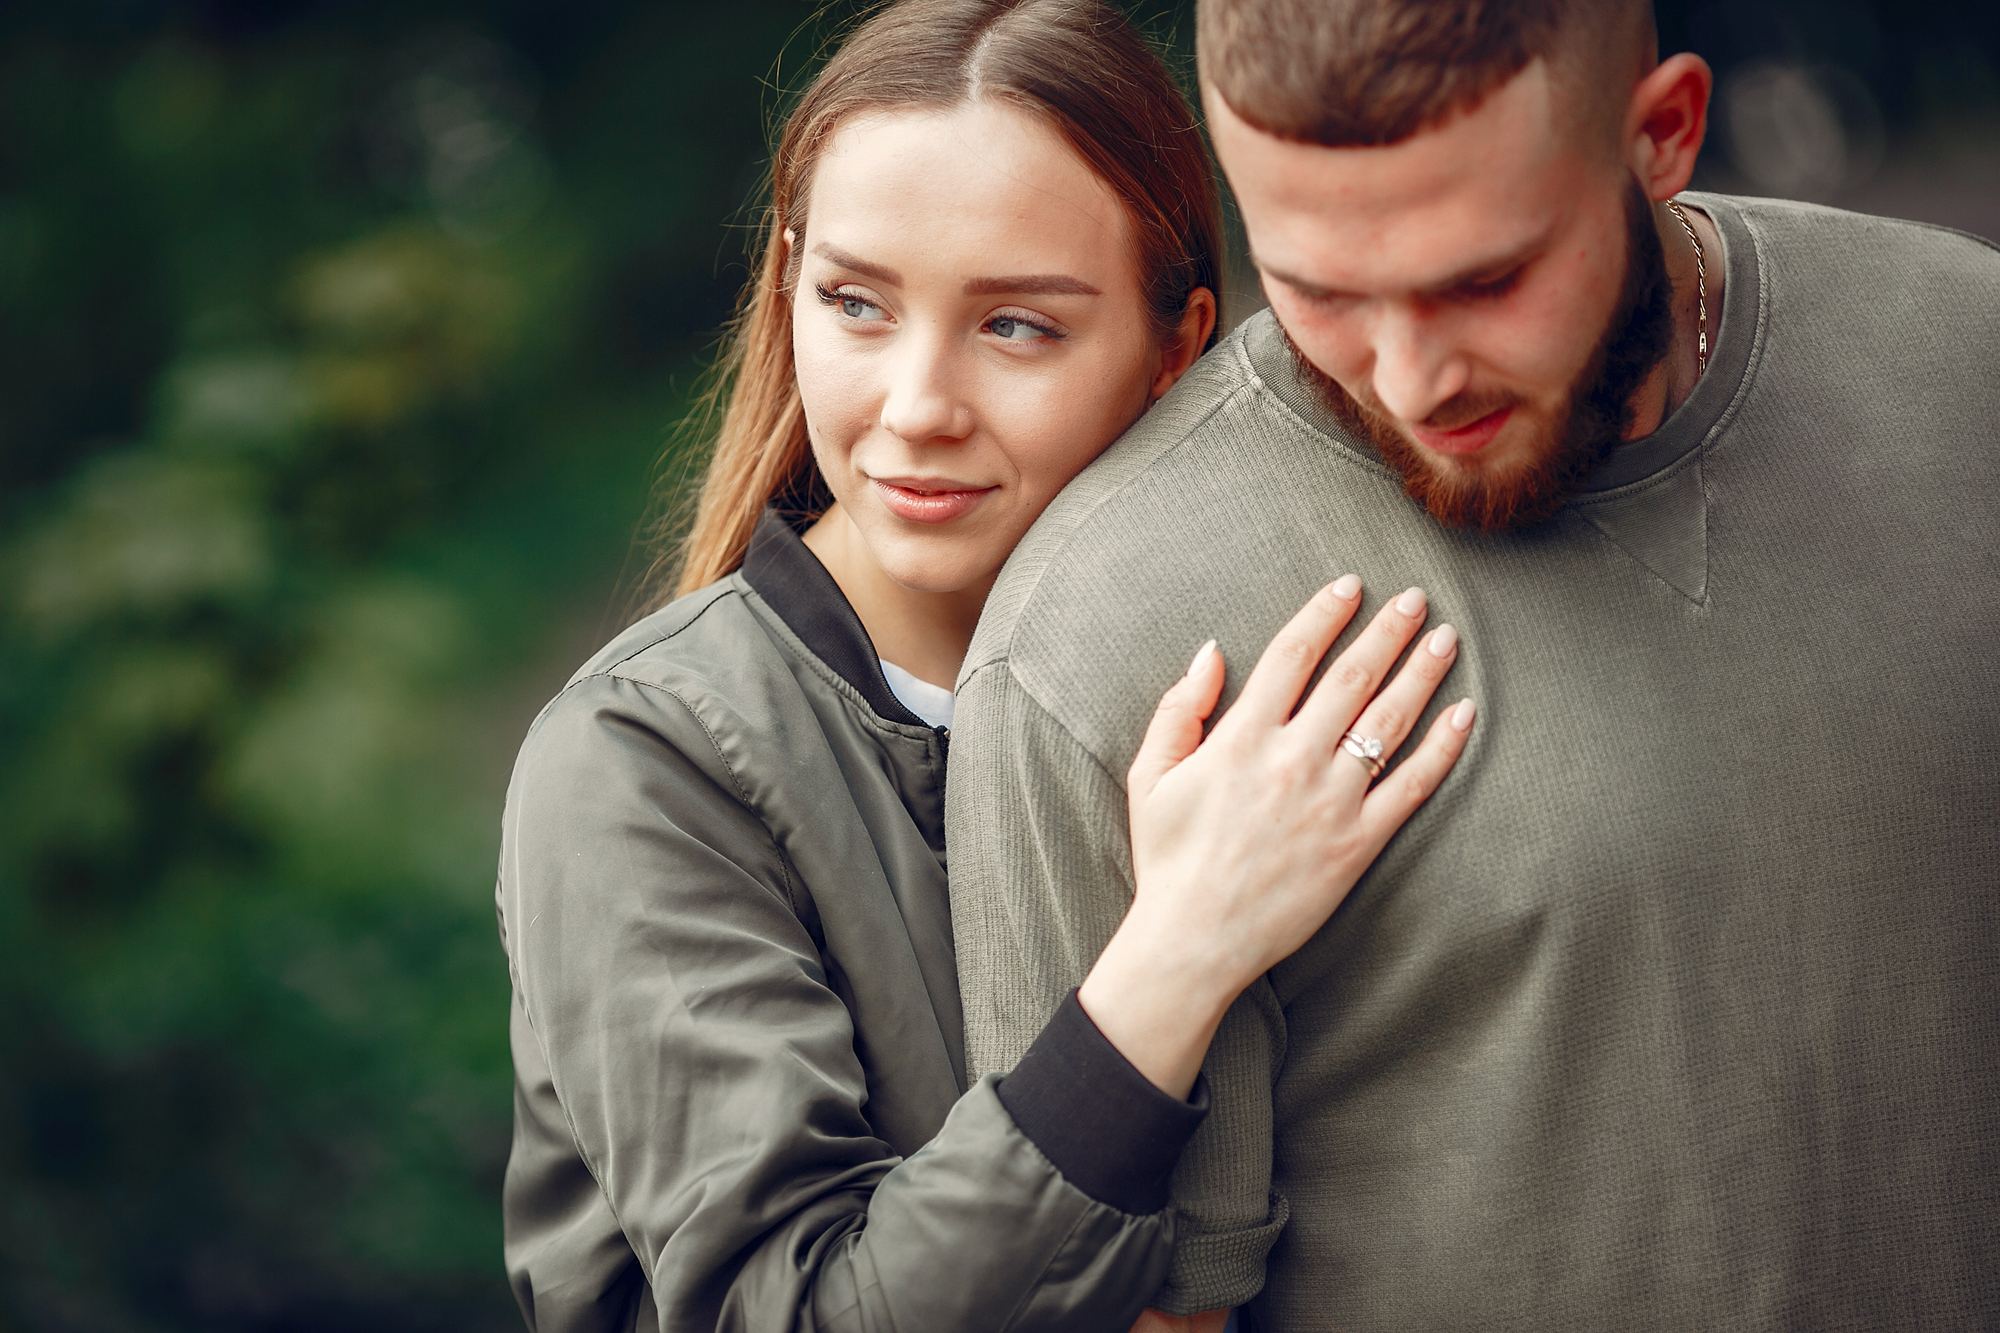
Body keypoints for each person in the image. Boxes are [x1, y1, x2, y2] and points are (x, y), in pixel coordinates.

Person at [947, 0, 2000, 1328]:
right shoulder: (1111, 637)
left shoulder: (1968, 363)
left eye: (1482, 279)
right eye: (1318, 289)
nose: (1410, 376)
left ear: (1662, 133)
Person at [495, 2, 1476, 1330]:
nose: (917, 405)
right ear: (788, 288)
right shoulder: (643, 761)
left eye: (1017, 325)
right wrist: (1181, 949)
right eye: (855, 303)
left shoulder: (1264, 703)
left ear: (1175, 348)